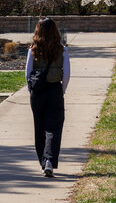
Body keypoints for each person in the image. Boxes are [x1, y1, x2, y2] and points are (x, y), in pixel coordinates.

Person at [25, 17, 70, 177]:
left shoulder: (33, 50)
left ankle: (43, 162)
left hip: (38, 92)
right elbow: (66, 75)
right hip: (54, 89)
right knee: (54, 127)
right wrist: (61, 91)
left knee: (39, 127)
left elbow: (28, 73)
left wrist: (32, 90)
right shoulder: (62, 50)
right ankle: (50, 160)